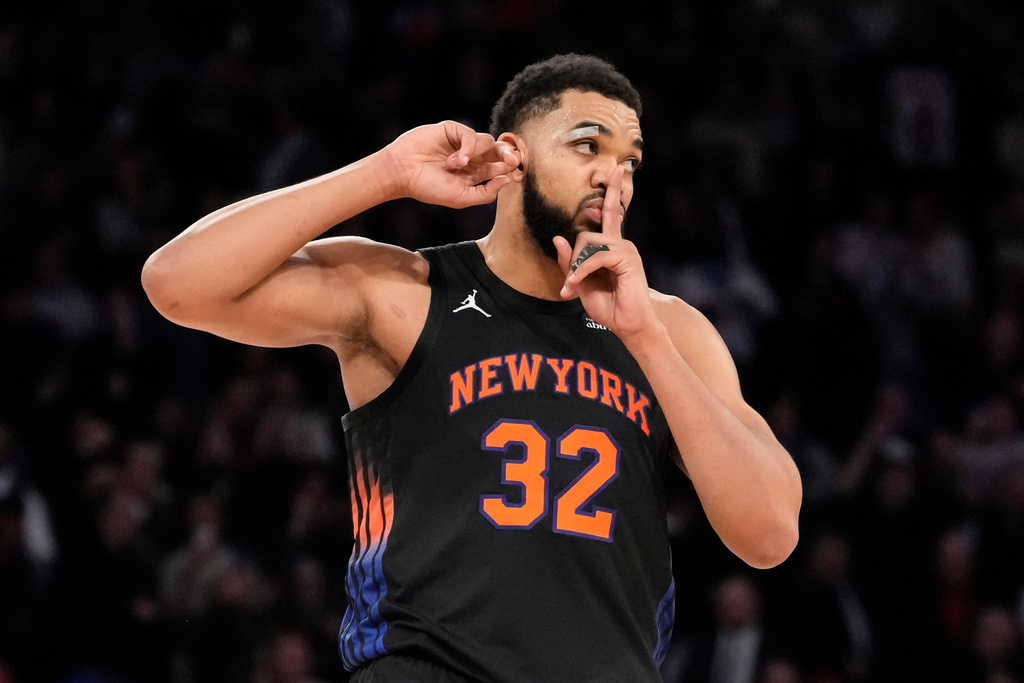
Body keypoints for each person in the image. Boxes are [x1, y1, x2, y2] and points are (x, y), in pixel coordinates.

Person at [142, 54, 802, 683]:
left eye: (629, 161)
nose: (614, 176)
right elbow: (177, 283)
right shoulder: (407, 291)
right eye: (587, 147)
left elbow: (770, 532)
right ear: (512, 153)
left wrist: (646, 339)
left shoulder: (671, 330)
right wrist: (385, 173)